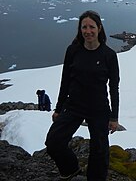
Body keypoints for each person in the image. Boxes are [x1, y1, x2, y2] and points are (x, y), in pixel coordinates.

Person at [45, 10, 120, 181]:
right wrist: (58, 108)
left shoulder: (109, 55)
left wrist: (114, 117)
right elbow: (65, 82)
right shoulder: (73, 51)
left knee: (99, 151)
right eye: (84, 27)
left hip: (98, 108)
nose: (88, 31)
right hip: (74, 105)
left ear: (99, 28)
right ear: (80, 29)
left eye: (91, 27)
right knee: (54, 141)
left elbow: (114, 88)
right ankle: (71, 170)